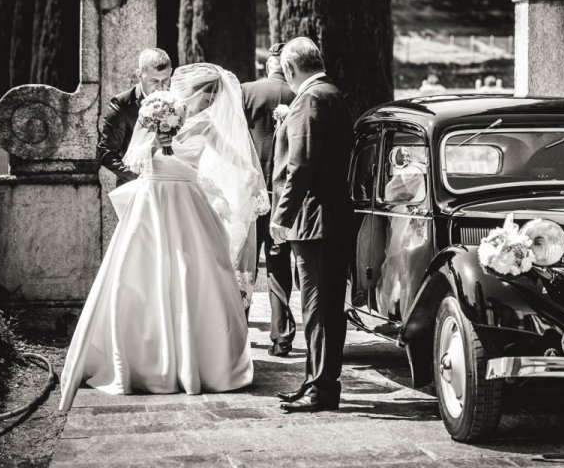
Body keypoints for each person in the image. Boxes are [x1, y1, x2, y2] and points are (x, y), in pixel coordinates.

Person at [58, 63, 266, 412]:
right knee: (141, 275)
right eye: (207, 92)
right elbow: (134, 161)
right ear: (192, 91)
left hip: (189, 201)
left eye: (214, 94)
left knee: (197, 275)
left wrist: (249, 175)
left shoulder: (208, 124)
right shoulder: (157, 109)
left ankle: (199, 359)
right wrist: (156, 138)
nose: (211, 99)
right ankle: (143, 360)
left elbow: (234, 156)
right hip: (152, 202)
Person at [271, 38, 354, 413]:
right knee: (325, 308)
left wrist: (281, 216)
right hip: (332, 219)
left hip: (315, 220)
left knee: (318, 307)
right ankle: (315, 382)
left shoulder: (309, 98)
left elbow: (300, 164)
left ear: (290, 69)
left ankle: (321, 389)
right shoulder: (333, 93)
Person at [241, 43, 297, 353]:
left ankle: (239, 330)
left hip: (250, 192)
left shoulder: (246, 92)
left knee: (246, 264)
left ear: (267, 66)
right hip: (283, 194)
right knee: (279, 263)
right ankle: (282, 337)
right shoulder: (297, 94)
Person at [98, 48, 172, 185]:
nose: (161, 87)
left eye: (165, 80)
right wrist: (137, 178)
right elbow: (106, 153)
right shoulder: (122, 104)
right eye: (154, 81)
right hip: (137, 187)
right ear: (139, 75)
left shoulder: (175, 101)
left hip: (171, 184)